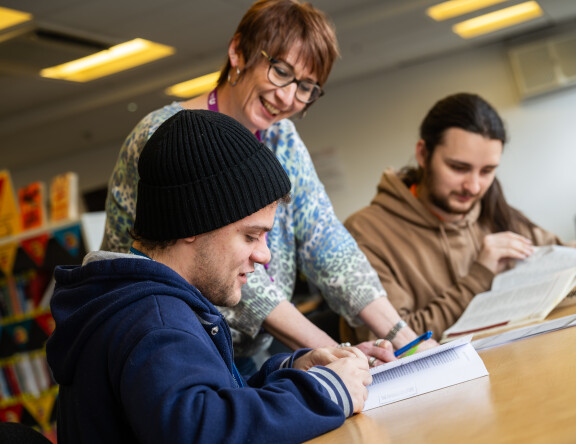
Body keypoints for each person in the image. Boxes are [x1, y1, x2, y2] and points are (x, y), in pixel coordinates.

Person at [101, 0, 431, 374]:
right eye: (281, 71)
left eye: (306, 87)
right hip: (171, 350)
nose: (288, 98)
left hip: (244, 354)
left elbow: (325, 240)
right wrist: (339, 353)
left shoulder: (280, 137)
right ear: (238, 52)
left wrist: (406, 337)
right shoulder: (171, 136)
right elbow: (220, 263)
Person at [46, 110, 373, 444]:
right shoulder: (156, 321)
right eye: (250, 236)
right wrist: (324, 392)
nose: (264, 255)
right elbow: (201, 431)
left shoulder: (147, 306)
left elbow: (210, 403)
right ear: (192, 225)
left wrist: (292, 370)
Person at [344, 92, 572, 341]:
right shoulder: (365, 231)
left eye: (487, 171)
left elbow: (562, 257)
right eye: (458, 168)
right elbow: (395, 341)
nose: (473, 187)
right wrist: (480, 276)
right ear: (423, 154)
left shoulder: (494, 209)